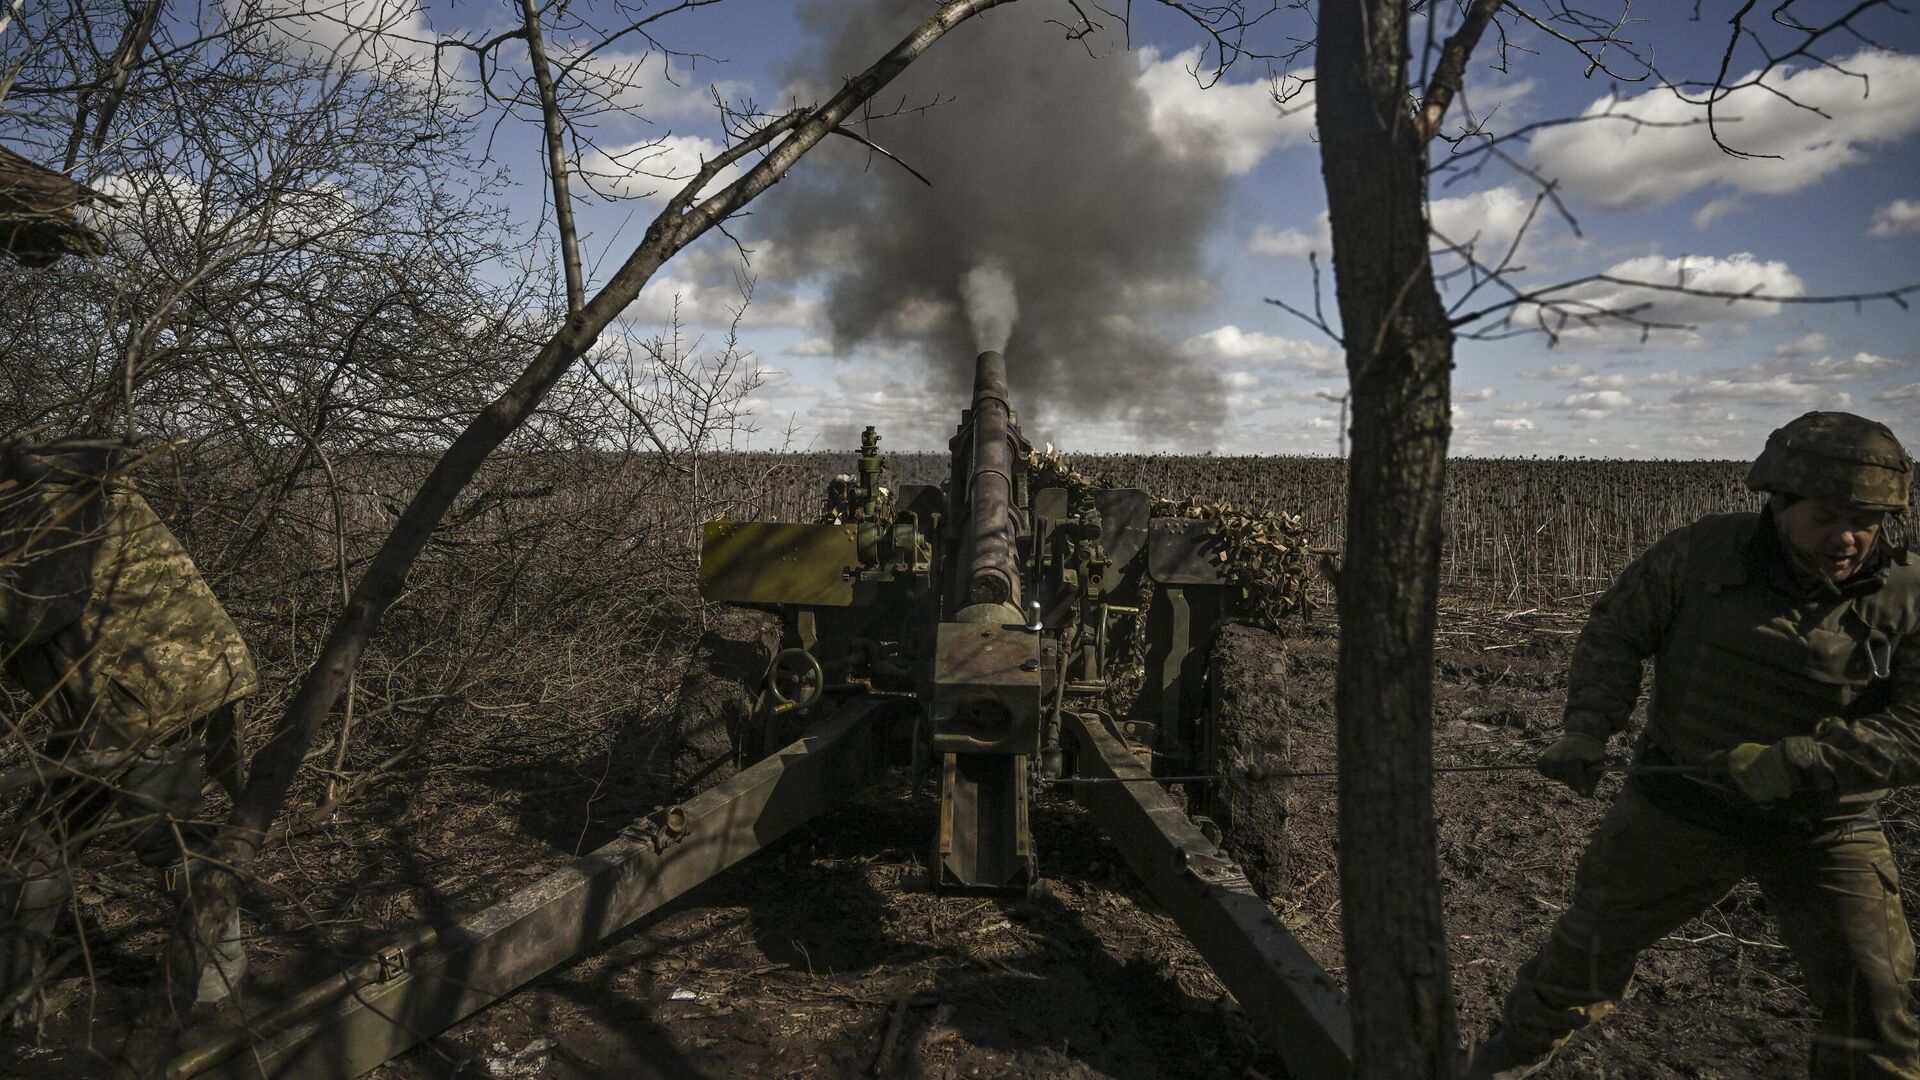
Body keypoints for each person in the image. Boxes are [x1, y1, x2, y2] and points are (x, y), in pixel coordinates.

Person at [1470, 411, 1920, 1080]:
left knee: (1878, 1011)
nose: (1848, 537)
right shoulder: (1704, 555)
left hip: (1825, 828)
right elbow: (1617, 630)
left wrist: (1800, 761)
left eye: (1867, 520)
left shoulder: (1904, 596)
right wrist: (1589, 725)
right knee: (1577, 967)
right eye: (1827, 517)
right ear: (1780, 502)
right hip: (1679, 810)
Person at [0, 437, 256, 1024]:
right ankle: (14, 990)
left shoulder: (54, 492)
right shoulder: (42, 487)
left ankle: (217, 976)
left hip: (147, 695)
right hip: (117, 696)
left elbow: (39, 607)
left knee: (165, 839)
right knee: (39, 846)